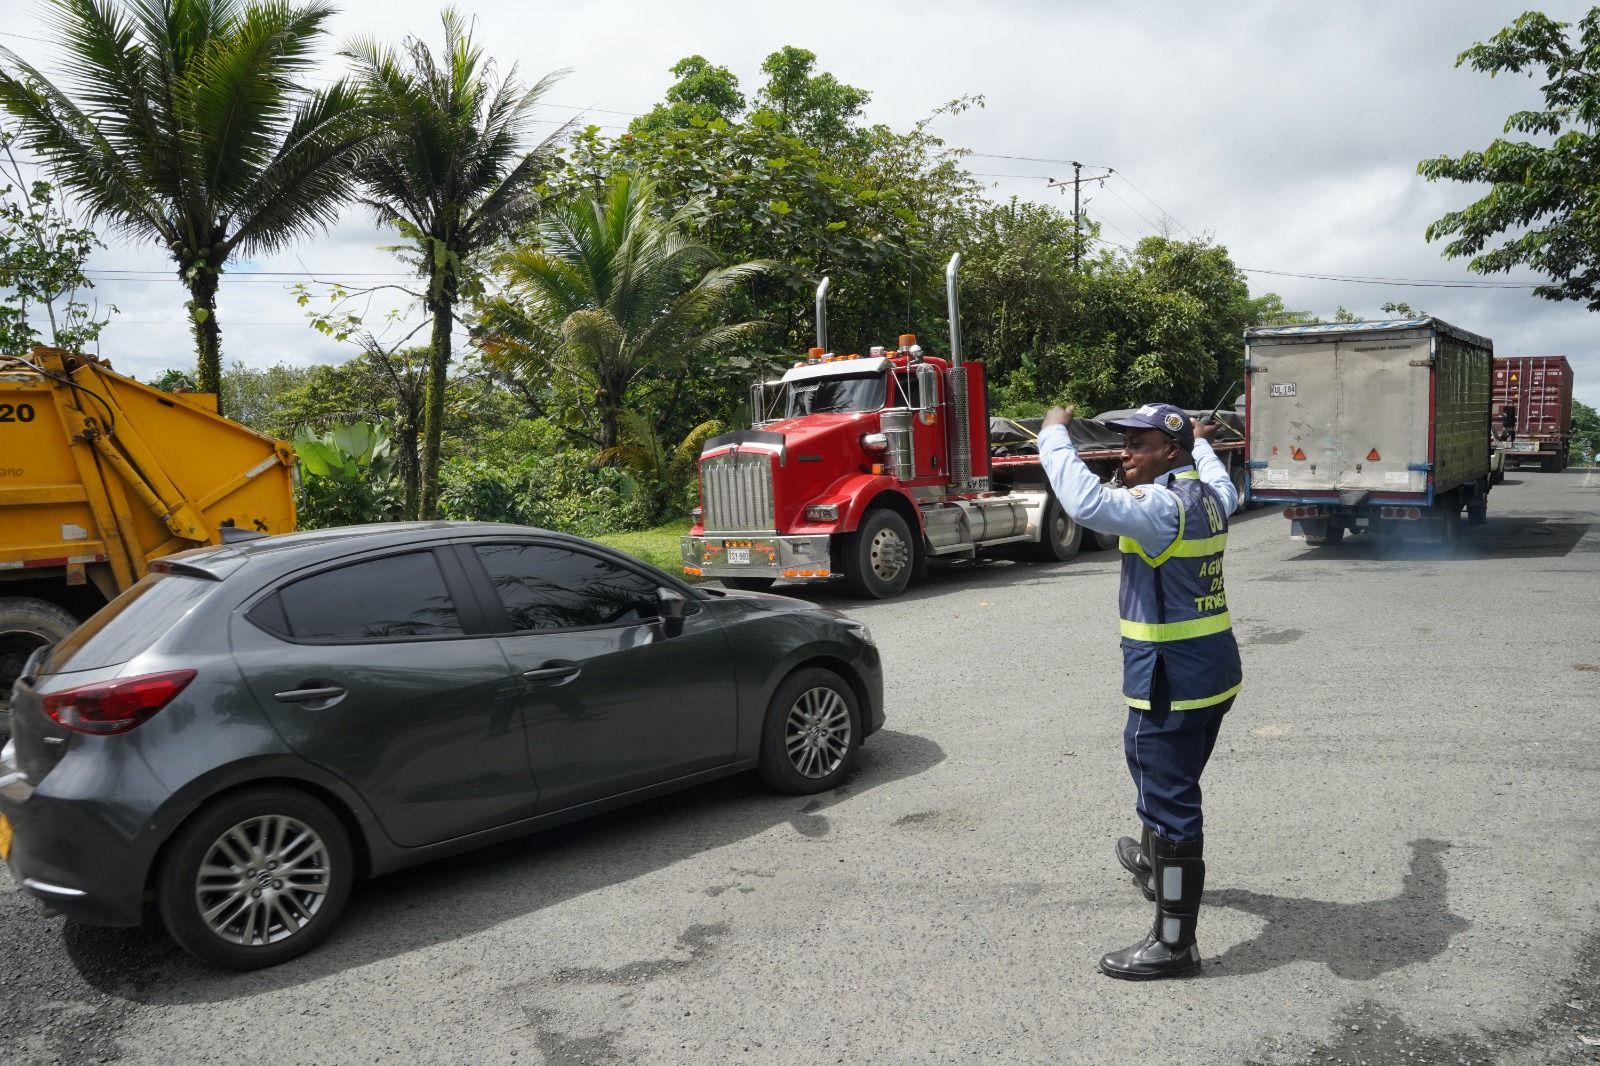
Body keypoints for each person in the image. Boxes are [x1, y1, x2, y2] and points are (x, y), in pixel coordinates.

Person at [1037, 402, 1242, 980]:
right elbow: (1221, 480)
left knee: (1170, 800)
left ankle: (1174, 945)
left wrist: (1053, 434)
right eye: (1124, 442)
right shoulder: (1211, 495)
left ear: (1169, 452)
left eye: (1139, 444)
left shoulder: (1158, 505)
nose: (1125, 452)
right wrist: (1202, 441)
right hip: (1212, 674)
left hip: (1170, 680)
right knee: (1165, 778)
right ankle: (1155, 866)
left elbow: (1085, 504)